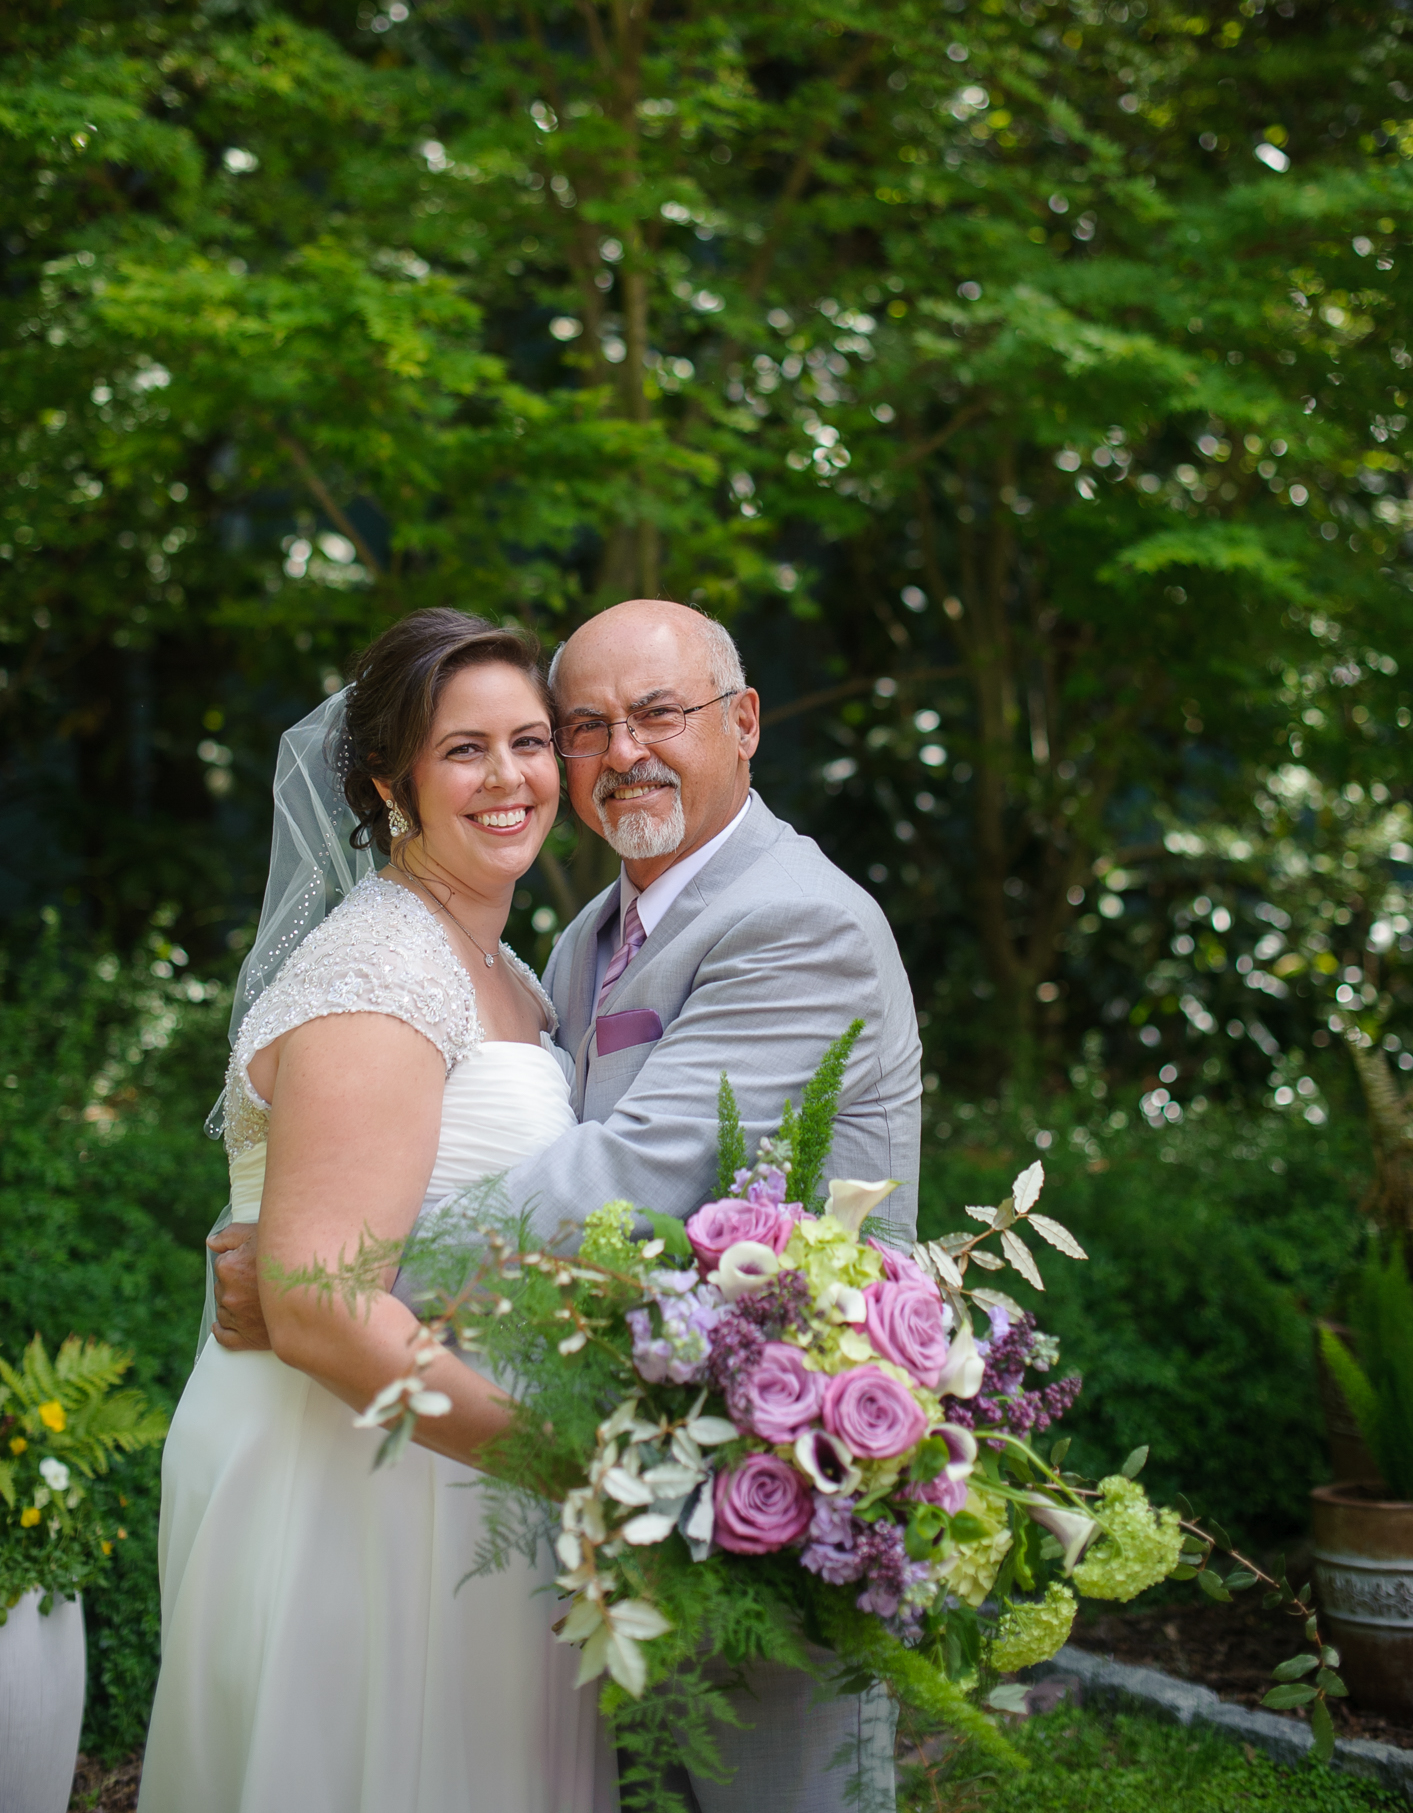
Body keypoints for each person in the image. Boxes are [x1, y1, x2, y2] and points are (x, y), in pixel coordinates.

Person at [214, 598, 921, 1813]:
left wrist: (323, 1274)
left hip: (763, 1467)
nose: (618, 750)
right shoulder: (584, 935)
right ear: (397, 783)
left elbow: (628, 1183)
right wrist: (310, 1263)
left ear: (744, 721)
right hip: (553, 1466)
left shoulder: (795, 919)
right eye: (584, 724)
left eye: (658, 712)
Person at [139, 609, 615, 1813]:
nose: (509, 778)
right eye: (465, 749)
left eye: (528, 740)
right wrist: (581, 1466)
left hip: (449, 1458)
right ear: (387, 781)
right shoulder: (380, 969)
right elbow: (316, 1303)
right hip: (347, 1471)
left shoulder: (509, 968)